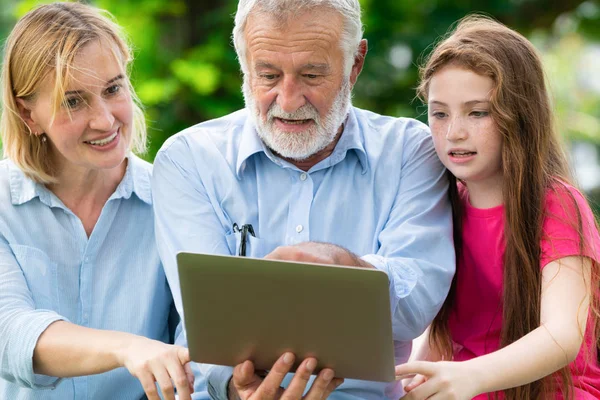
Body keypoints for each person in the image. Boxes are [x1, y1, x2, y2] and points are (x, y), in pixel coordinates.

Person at [152, 0, 456, 399]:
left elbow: (418, 304)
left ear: (355, 64)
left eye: (312, 74)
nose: (289, 99)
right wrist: (235, 386)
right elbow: (204, 322)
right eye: (268, 75)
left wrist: (343, 264)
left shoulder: (409, 151)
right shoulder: (189, 158)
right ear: (244, 64)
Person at [394, 15, 600, 400]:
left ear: (519, 115)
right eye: (439, 113)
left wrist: (469, 377)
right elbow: (445, 338)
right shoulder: (443, 201)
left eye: (478, 112)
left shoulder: (557, 203)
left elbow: (561, 336)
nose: (454, 131)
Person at [0, 3, 195, 400]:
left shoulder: (174, 196)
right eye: (73, 101)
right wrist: (127, 347)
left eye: (113, 89)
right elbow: (9, 332)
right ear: (28, 113)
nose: (105, 120)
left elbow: (198, 335)